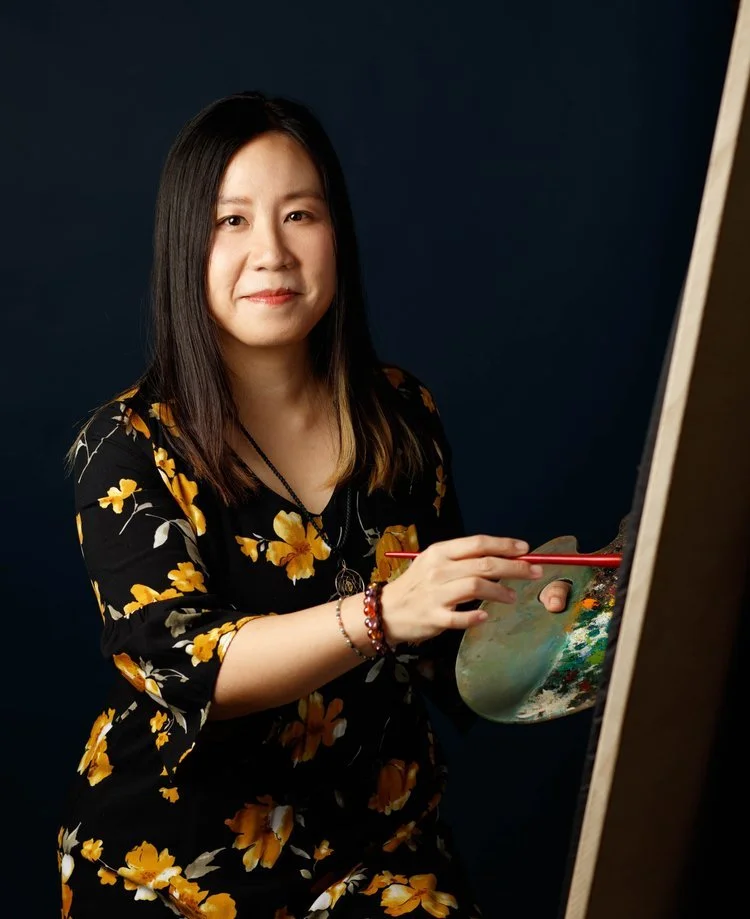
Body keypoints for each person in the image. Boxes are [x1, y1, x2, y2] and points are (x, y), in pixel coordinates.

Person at [58, 90, 573, 919]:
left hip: (379, 851)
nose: (271, 252)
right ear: (184, 245)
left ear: (337, 235)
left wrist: (550, 623)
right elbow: (188, 664)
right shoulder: (126, 447)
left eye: (299, 214)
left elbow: (442, 647)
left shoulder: (401, 414)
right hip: (179, 868)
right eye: (231, 221)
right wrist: (381, 612)